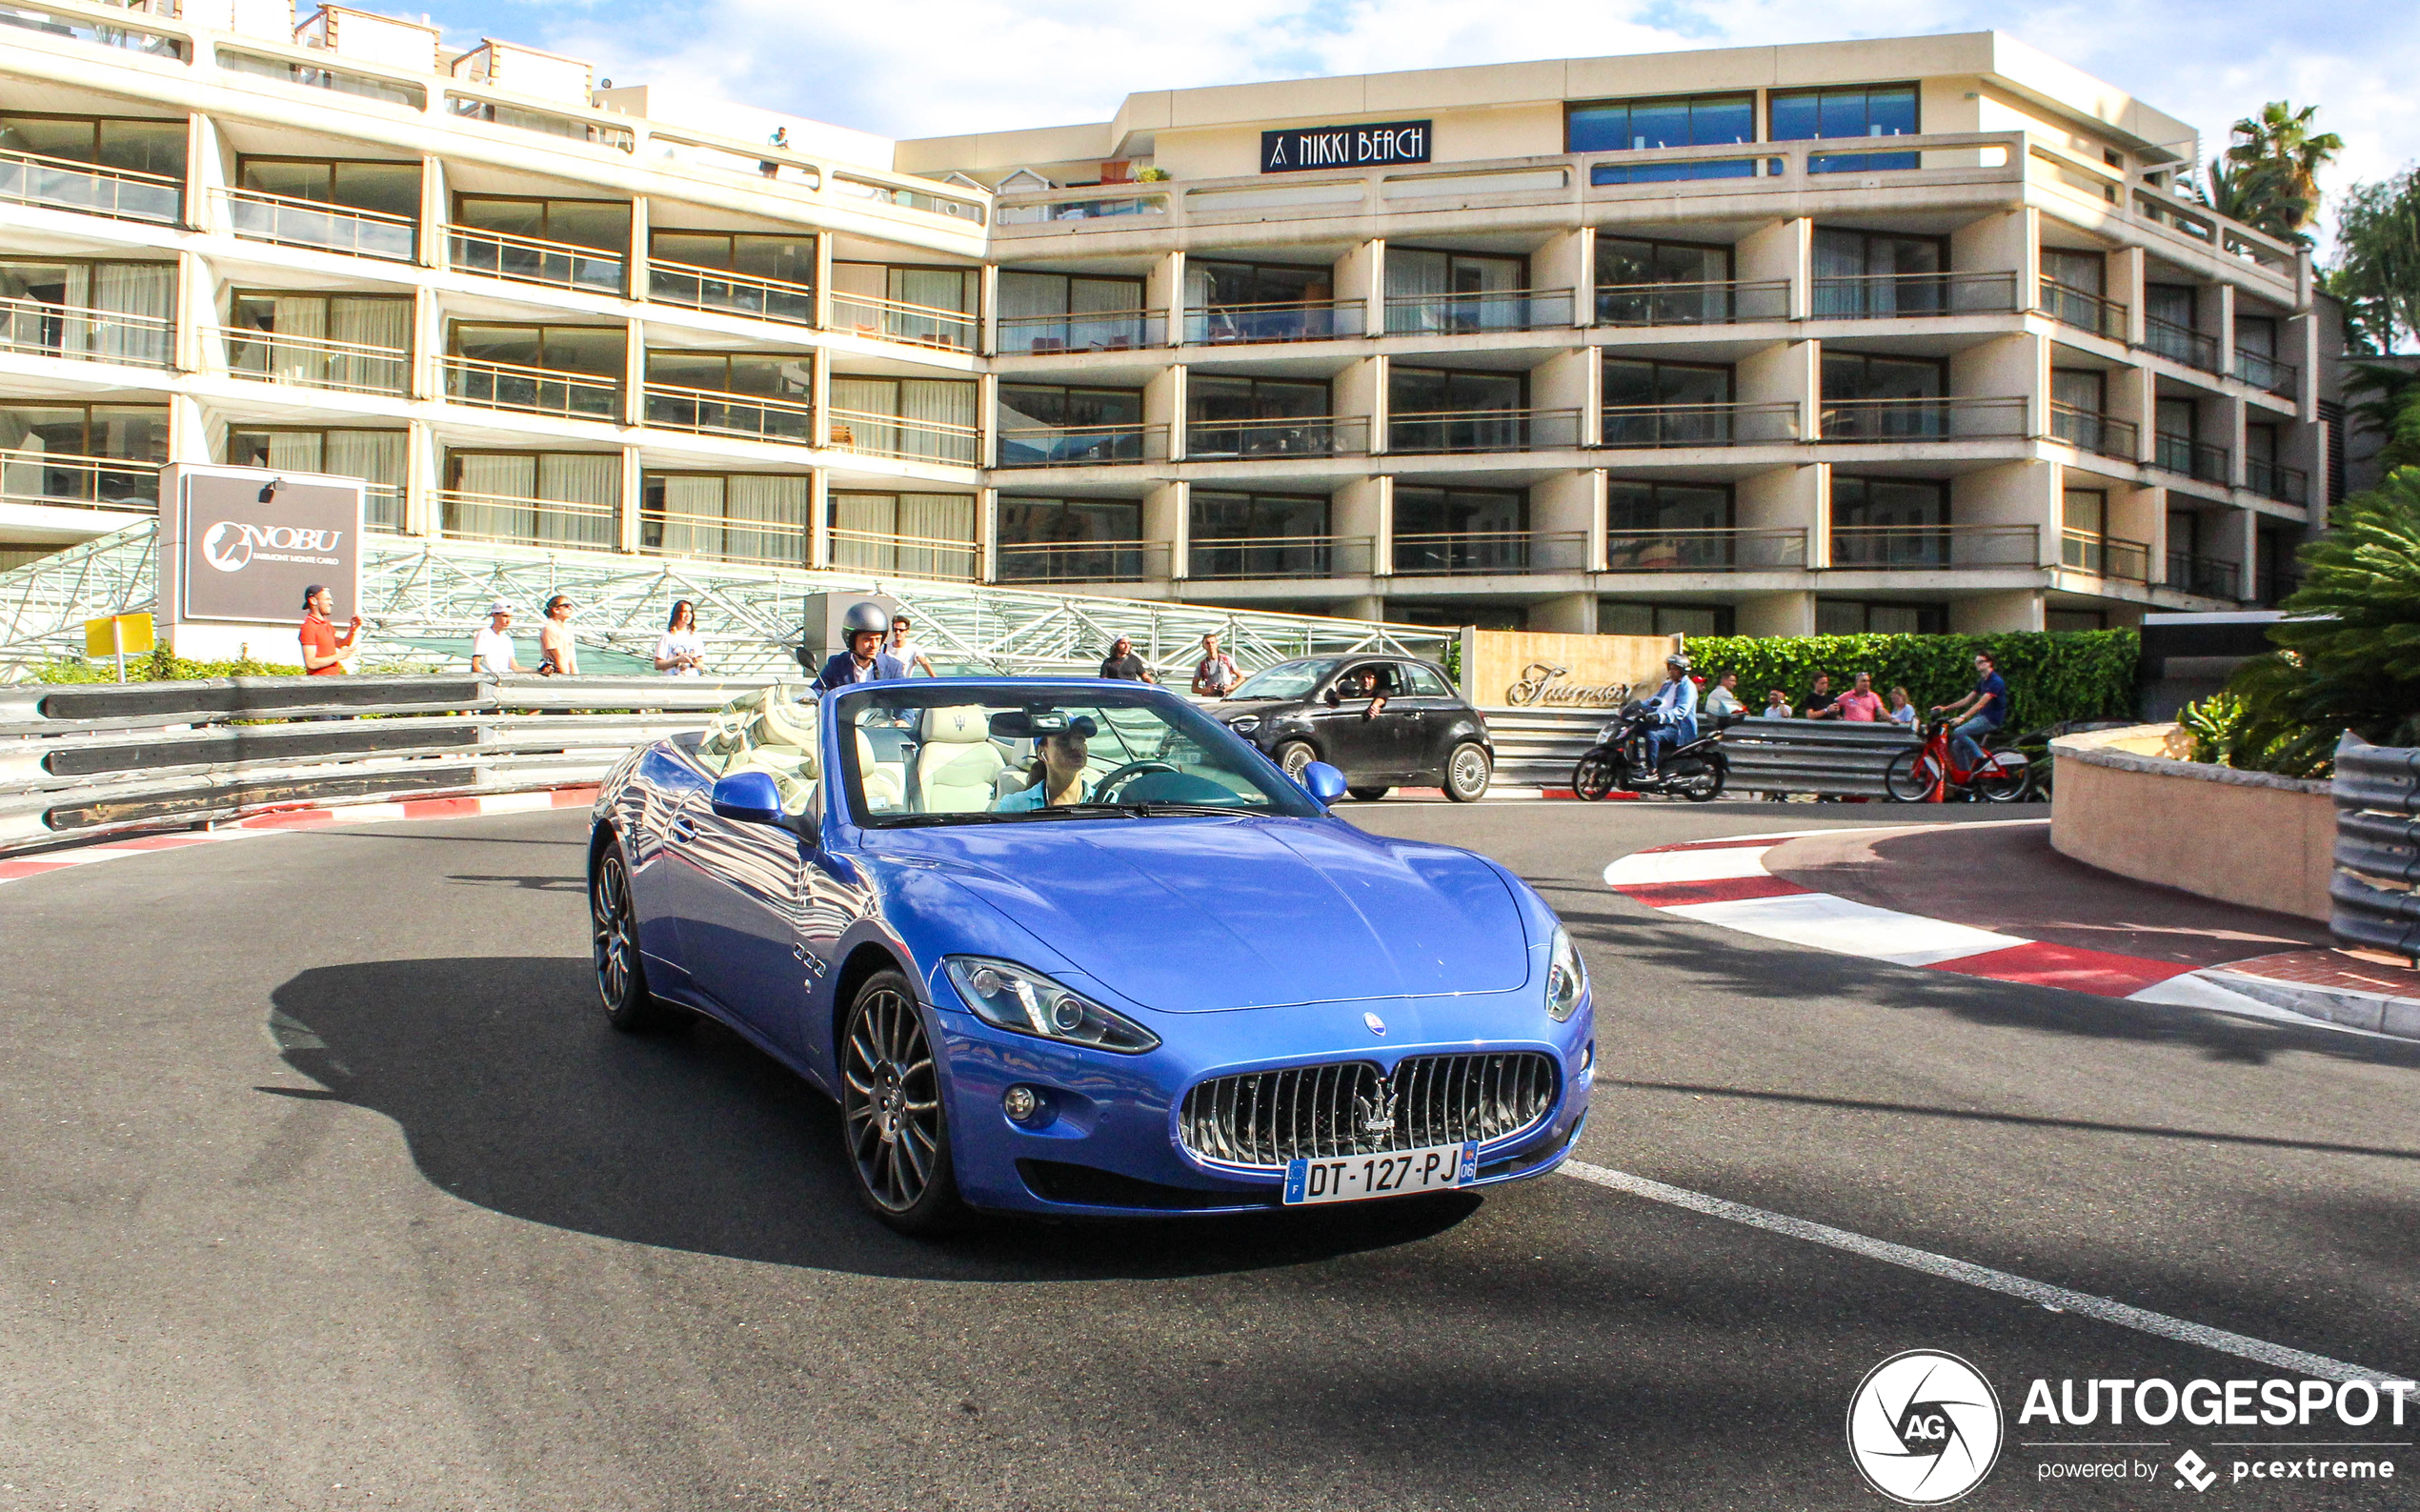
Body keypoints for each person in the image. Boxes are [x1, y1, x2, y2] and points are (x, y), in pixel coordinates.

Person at [1932, 650, 2010, 772]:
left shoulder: (1996, 681)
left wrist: (1963, 717)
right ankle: (1967, 776)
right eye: (1976, 662)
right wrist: (1945, 708)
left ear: (1990, 663)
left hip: (1991, 719)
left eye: (1981, 662)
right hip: (1982, 717)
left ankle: (1981, 756)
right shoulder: (1983, 681)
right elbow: (1966, 700)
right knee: (1956, 745)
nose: (1978, 665)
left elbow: (1980, 704)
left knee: (1959, 732)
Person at [993, 719, 1096, 812]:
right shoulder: (1013, 807)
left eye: (1081, 739)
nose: (1076, 746)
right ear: (1041, 752)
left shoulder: (1107, 802)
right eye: (1064, 740)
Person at [813, 600, 907, 689]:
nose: (874, 645)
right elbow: (818, 689)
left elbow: (904, 698)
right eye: (867, 640)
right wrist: (808, 697)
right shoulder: (836, 664)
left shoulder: (892, 667)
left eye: (878, 639)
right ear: (852, 640)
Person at [1638, 652, 1699, 776]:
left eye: (1675, 669)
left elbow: (1681, 711)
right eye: (1670, 668)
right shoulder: (1668, 685)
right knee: (1632, 729)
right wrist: (1636, 707)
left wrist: (1659, 716)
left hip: (1677, 727)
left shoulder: (1688, 687)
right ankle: (1635, 763)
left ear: (1683, 670)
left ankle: (1652, 770)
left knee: (1652, 735)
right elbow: (1653, 700)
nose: (1671, 671)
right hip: (1660, 723)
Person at [296, 584, 363, 675]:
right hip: (319, 683)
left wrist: (352, 630)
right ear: (313, 601)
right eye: (327, 599)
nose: (331, 603)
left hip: (332, 680)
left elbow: (343, 644)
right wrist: (338, 656)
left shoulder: (327, 624)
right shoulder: (309, 627)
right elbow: (311, 663)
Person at [470, 599, 524, 675]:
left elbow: (514, 667)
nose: (508, 620)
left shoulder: (507, 639)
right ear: (494, 615)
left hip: (503, 680)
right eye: (504, 616)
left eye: (510, 617)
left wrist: (537, 670)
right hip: (489, 681)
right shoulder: (484, 634)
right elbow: (475, 665)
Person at [655, 599, 706, 676]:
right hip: (671, 681)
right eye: (684, 611)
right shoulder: (667, 636)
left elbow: (701, 665)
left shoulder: (696, 637)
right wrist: (677, 660)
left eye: (690, 612)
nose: (688, 615)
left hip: (691, 680)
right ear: (677, 614)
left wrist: (693, 661)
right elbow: (658, 664)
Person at [536, 595, 578, 676]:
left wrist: (576, 676)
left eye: (571, 606)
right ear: (556, 610)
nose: (570, 608)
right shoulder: (550, 628)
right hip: (555, 673)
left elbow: (572, 658)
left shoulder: (568, 631)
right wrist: (566, 677)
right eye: (566, 606)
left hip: (566, 672)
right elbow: (558, 657)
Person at [1190, 632, 1240, 698]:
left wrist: (1231, 687)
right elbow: (1194, 688)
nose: (1211, 645)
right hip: (1211, 699)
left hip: (1228, 697)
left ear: (1217, 644)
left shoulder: (1227, 660)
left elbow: (1241, 678)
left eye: (1213, 643)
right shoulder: (1202, 665)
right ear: (1203, 646)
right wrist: (1207, 690)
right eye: (1207, 643)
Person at [886, 613, 938, 677]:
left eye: (901, 630)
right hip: (888, 685)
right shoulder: (885, 648)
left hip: (903, 685)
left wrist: (936, 681)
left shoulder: (913, 648)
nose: (897, 632)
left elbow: (924, 663)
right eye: (895, 630)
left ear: (907, 631)